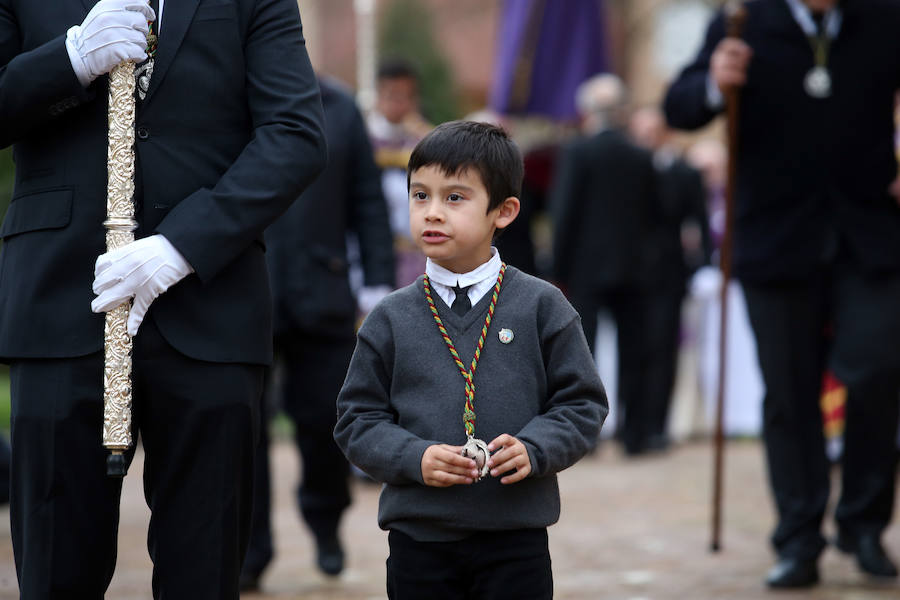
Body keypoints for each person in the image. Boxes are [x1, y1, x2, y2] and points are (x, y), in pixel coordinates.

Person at [0, 0, 326, 597]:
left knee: (204, 572)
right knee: (53, 572)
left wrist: (183, 245)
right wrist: (69, 59)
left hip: (210, 300)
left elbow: (295, 135)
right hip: (62, 301)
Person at [665, 0, 900, 588]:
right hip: (775, 239)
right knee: (789, 392)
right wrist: (716, 84)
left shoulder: (884, 17)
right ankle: (799, 537)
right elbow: (681, 103)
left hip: (868, 235)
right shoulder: (743, 21)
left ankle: (863, 523)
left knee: (877, 367)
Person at [334, 121, 607, 599]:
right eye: (420, 196)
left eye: (454, 198)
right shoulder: (390, 317)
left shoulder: (542, 306)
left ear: (503, 211)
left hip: (515, 539)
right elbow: (356, 420)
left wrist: (535, 447)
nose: (432, 213)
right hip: (419, 539)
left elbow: (582, 404)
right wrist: (413, 457)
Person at [240, 75, 394, 590]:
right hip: (240, 291)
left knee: (327, 421)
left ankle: (326, 523)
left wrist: (377, 283)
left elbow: (367, 201)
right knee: (242, 432)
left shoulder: (339, 107)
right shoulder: (228, 94)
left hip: (322, 290)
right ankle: (249, 550)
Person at [550, 74, 658, 455]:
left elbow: (565, 213)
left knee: (583, 353)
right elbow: (654, 217)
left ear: (588, 112)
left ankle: (586, 436)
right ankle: (636, 434)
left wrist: (557, 269)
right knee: (635, 352)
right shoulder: (641, 156)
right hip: (635, 269)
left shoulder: (578, 152)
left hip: (586, 268)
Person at [629, 106, 711, 452]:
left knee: (663, 349)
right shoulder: (627, 169)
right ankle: (631, 425)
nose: (647, 138)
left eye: (653, 131)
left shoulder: (684, 172)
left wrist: (701, 266)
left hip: (667, 274)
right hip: (630, 274)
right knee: (633, 350)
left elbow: (700, 222)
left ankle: (657, 425)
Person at [367, 58, 432, 288]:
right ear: (378, 95)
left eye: (408, 96)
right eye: (393, 95)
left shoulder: (425, 140)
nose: (400, 104)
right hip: (374, 253)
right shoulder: (363, 139)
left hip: (417, 255)